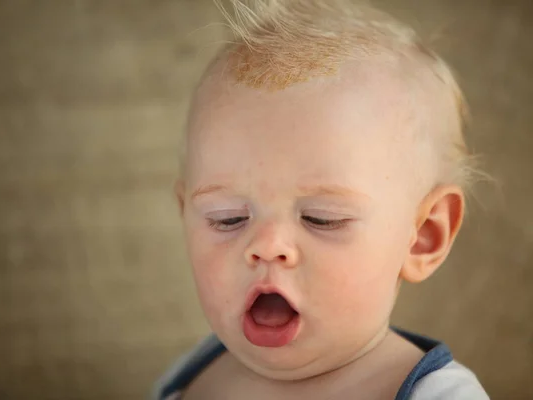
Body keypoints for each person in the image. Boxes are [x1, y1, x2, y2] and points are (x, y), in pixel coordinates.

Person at [153, 0, 489, 398]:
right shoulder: (190, 377)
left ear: (422, 237)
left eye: (321, 218)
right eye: (227, 218)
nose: (268, 245)